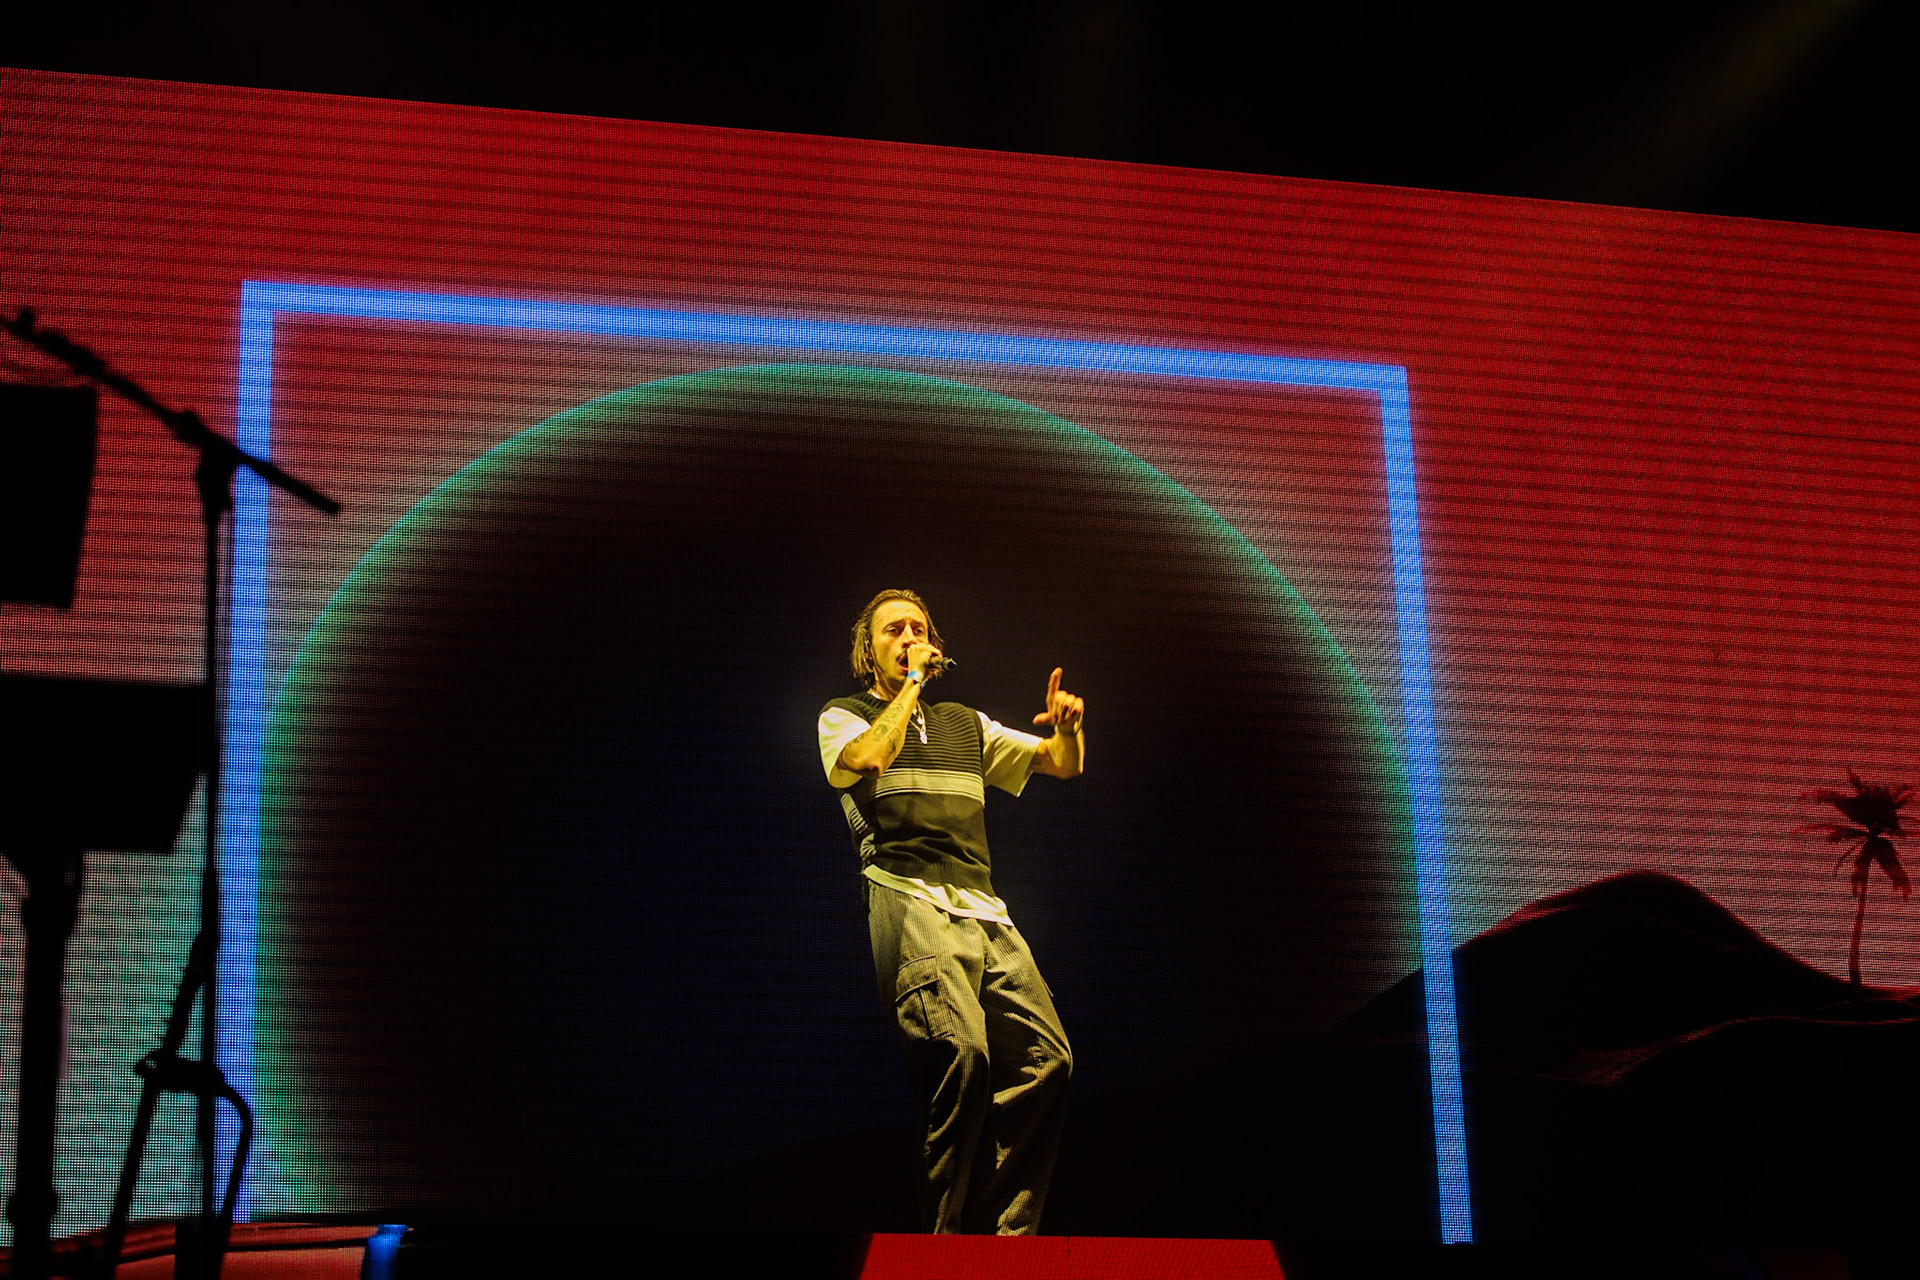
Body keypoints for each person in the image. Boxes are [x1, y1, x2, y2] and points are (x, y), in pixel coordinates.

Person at [816, 588, 1084, 1235]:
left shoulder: (966, 724)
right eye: (893, 632)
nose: (909, 637)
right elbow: (870, 757)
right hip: (909, 900)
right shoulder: (843, 716)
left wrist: (1070, 731)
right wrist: (910, 688)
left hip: (987, 913)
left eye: (918, 628)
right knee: (962, 1054)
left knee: (1048, 1061)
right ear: (868, 652)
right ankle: (942, 1246)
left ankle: (1003, 1246)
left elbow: (1062, 766)